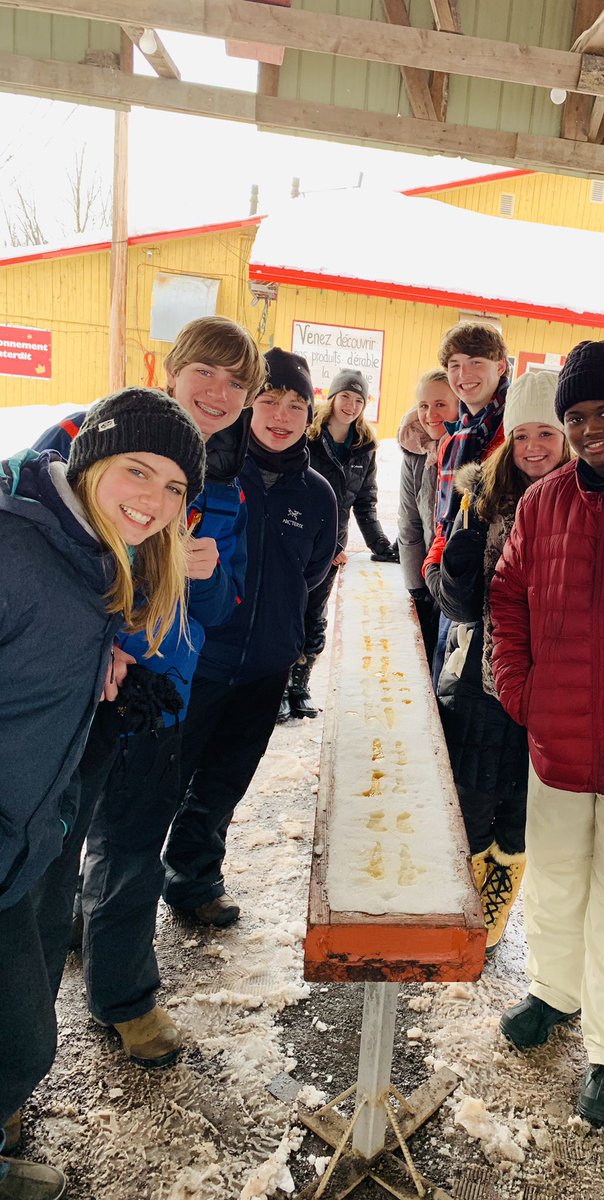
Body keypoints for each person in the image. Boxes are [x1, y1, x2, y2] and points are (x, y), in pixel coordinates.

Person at [32, 316, 264, 1071]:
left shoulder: (222, 479)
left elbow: (222, 604)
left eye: (238, 384)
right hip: (72, 697)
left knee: (133, 849)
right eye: (207, 372)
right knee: (44, 869)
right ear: (172, 368)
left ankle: (124, 998)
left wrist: (208, 574)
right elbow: (28, 536)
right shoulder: (89, 434)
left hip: (164, 697)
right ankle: (17, 1057)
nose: (219, 393)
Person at [0, 389, 204, 1200]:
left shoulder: (92, 560)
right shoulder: (18, 550)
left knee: (22, 1038)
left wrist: (99, 669)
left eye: (174, 488)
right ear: (90, 464)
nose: (153, 502)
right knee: (19, 1036)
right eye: (137, 471)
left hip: (25, 837)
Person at [489, 339, 604, 1126]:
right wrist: (519, 688)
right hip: (556, 745)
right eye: (577, 415)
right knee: (558, 887)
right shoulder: (544, 500)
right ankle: (554, 994)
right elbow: (508, 597)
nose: (593, 427)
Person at [162, 348, 337, 923]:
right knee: (155, 786)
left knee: (224, 783)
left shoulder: (317, 494)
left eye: (295, 404)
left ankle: (194, 880)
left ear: (310, 413)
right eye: (268, 400)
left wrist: (299, 640)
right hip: (194, 662)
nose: (281, 416)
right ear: (248, 404)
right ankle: (106, 902)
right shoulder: (208, 471)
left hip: (264, 665)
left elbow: (312, 575)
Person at [430, 371, 569, 953]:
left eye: (547, 433)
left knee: (523, 812)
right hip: (482, 680)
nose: (533, 447)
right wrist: (458, 569)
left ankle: (490, 921)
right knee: (470, 802)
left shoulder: (586, 501)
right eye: (521, 435)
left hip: (555, 687)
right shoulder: (478, 497)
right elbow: (457, 605)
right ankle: (455, 910)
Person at [284, 368, 397, 719]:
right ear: (332, 398)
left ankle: (299, 686)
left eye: (359, 400)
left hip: (332, 549)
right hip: (295, 540)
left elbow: (364, 501)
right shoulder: (307, 437)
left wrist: (381, 546)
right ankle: (276, 687)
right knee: (285, 613)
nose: (351, 405)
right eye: (345, 396)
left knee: (314, 615)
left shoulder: (364, 447)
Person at [423, 322, 511, 686]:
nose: (464, 375)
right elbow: (445, 520)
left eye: (476, 362)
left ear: (500, 366)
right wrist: (434, 563)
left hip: (500, 594)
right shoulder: (452, 439)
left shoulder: (515, 432)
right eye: (455, 365)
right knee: (444, 691)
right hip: (454, 583)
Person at [397, 368, 459, 664]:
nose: (430, 414)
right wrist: (416, 586)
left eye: (440, 405)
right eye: (423, 405)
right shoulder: (415, 452)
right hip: (426, 573)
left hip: (457, 581)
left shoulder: (469, 447)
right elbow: (408, 520)